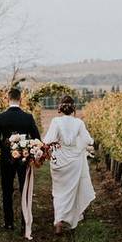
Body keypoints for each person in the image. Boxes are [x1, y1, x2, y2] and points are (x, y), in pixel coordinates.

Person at [42, 95, 95, 234]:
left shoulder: (55, 121)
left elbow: (48, 141)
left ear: (60, 107)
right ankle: (70, 217)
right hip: (74, 161)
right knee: (72, 190)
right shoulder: (79, 123)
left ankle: (59, 220)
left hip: (59, 160)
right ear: (73, 108)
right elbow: (88, 140)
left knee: (59, 191)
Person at [0, 85, 41, 231]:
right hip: (24, 159)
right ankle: (25, 222)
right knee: (24, 189)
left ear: (8, 99)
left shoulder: (0, 117)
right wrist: (26, 148)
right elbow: (37, 138)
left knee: (7, 190)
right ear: (20, 99)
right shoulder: (28, 117)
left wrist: (6, 146)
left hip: (6, 158)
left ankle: (9, 223)